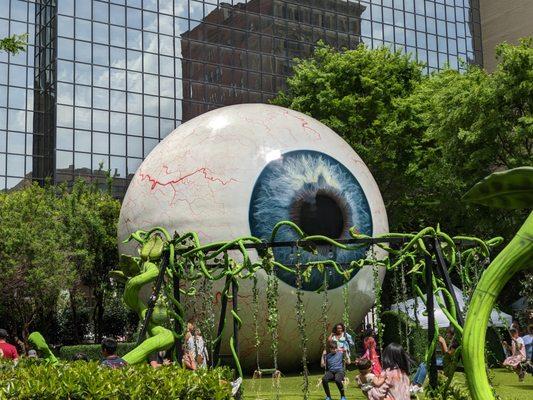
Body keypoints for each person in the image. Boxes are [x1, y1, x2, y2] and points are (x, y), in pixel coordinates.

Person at [410, 326, 457, 393]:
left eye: (447, 333)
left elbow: (449, 355)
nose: (446, 334)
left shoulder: (455, 342)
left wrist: (443, 342)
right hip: (445, 360)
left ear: (451, 333)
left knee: (425, 365)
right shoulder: (452, 341)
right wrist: (441, 343)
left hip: (448, 362)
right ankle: (413, 384)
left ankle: (419, 385)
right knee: (422, 364)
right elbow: (445, 354)